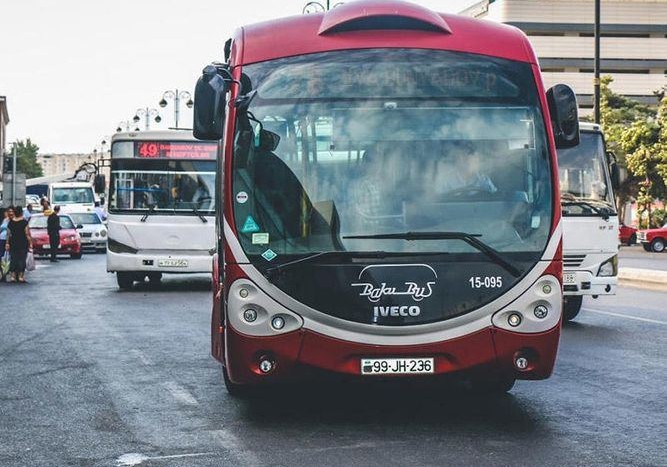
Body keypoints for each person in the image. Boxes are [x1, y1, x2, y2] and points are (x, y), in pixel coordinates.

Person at [6, 205, 32, 283]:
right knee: (22, 259)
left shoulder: (11, 222)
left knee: (13, 259)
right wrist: (30, 243)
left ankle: (13, 276)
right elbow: (27, 234)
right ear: (21, 213)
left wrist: (7, 243)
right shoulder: (24, 222)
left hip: (13, 243)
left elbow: (8, 234)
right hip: (23, 243)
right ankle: (21, 276)